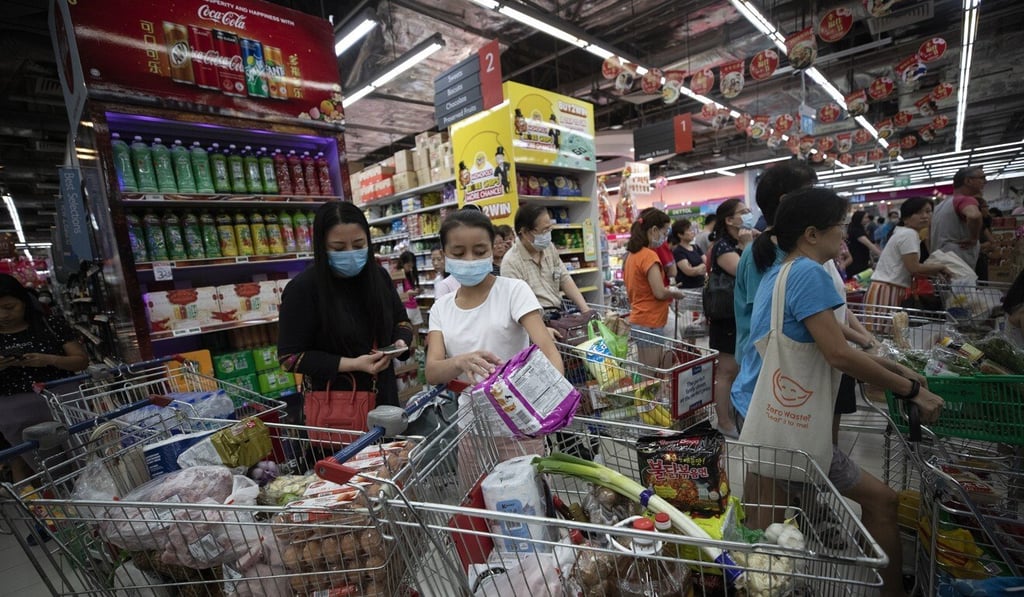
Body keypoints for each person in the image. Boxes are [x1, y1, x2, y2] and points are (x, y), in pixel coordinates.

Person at [742, 188, 943, 597]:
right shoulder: (810, 274)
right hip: (796, 430)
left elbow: (823, 343)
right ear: (812, 234)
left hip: (773, 423)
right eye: (841, 227)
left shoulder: (780, 273)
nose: (846, 237)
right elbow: (837, 354)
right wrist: (910, 390)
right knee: (882, 502)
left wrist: (890, 366)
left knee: (761, 536)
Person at [425, 208, 562, 459]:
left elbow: (547, 349)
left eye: (479, 252)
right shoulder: (441, 308)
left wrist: (550, 402)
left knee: (528, 496)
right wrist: (459, 361)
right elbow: (432, 371)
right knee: (475, 497)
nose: (469, 259)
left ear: (492, 249)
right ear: (445, 255)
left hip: (520, 426)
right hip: (472, 430)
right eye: (458, 253)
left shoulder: (513, 291)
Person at [278, 202, 414, 414]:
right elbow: (289, 359)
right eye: (339, 248)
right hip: (336, 411)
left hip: (386, 401)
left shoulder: (378, 277)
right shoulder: (303, 289)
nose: (351, 254)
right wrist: (353, 364)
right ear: (322, 247)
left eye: (359, 245)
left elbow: (402, 321)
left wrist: (399, 342)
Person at [0, 274, 89, 481]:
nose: (3, 315)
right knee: (52, 472)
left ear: (24, 301)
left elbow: (81, 361)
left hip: (64, 401)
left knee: (89, 459)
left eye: (9, 307)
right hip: (16, 413)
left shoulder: (50, 324)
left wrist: (49, 359)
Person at [705, 198, 754, 437]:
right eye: (742, 212)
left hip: (739, 315)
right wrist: (747, 245)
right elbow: (743, 272)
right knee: (726, 370)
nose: (747, 214)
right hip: (726, 316)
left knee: (736, 369)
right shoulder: (723, 246)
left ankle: (733, 415)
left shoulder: (735, 243)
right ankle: (723, 422)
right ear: (729, 220)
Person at [502, 203, 590, 316]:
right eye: (544, 231)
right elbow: (517, 306)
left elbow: (564, 278)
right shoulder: (511, 263)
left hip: (556, 314)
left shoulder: (549, 248)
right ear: (524, 232)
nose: (548, 234)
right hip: (534, 322)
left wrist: (586, 310)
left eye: (550, 229)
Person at [623, 208, 686, 363]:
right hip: (650, 321)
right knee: (651, 376)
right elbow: (659, 292)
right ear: (654, 230)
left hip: (640, 318)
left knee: (647, 371)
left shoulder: (632, 255)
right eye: (664, 233)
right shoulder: (649, 255)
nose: (665, 238)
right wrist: (674, 293)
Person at [867, 197, 952, 307]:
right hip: (887, 289)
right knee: (883, 324)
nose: (925, 216)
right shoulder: (909, 234)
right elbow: (914, 268)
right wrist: (941, 267)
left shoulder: (904, 232)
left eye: (928, 211)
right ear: (906, 218)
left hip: (885, 288)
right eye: (918, 212)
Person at [931, 167, 985, 269]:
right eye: (982, 178)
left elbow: (929, 236)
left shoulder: (940, 206)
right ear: (968, 181)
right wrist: (974, 238)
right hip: (959, 260)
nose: (985, 182)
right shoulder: (965, 200)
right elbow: (974, 216)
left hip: (940, 259)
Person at [669, 218, 706, 288]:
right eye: (689, 230)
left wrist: (697, 268)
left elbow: (706, 264)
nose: (692, 232)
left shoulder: (696, 247)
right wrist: (701, 266)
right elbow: (689, 271)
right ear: (680, 234)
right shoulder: (678, 251)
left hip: (702, 286)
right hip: (688, 290)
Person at [846, 210, 881, 278]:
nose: (867, 219)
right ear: (859, 218)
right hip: (857, 262)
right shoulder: (856, 230)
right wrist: (880, 254)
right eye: (865, 217)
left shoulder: (858, 228)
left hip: (861, 260)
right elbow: (868, 244)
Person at [397, 250, 423, 327]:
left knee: (416, 335)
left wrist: (416, 291)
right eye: (408, 266)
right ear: (402, 263)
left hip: (414, 306)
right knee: (408, 333)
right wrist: (407, 294)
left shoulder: (410, 275)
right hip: (405, 308)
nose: (410, 269)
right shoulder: (397, 275)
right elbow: (396, 296)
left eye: (412, 266)